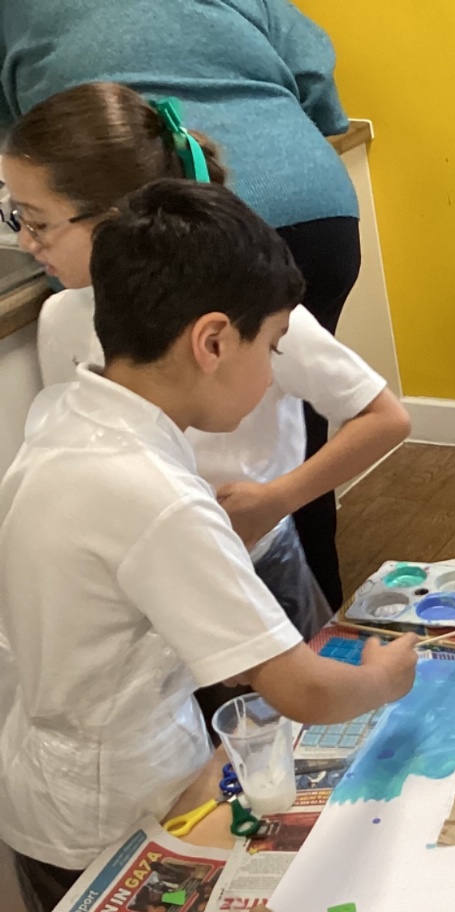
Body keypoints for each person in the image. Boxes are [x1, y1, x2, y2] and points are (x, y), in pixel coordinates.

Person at [0, 180, 417, 912]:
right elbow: (307, 693)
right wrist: (385, 677)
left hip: (55, 777)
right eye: (273, 346)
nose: (273, 371)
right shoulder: (158, 496)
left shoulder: (63, 415)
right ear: (214, 342)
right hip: (111, 807)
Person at [1, 83, 410, 639]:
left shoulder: (257, 314)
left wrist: (276, 500)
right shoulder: (60, 319)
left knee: (290, 684)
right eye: (16, 218)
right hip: (147, 585)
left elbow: (385, 417)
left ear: (120, 219)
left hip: (256, 565)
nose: (27, 243)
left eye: (38, 222)